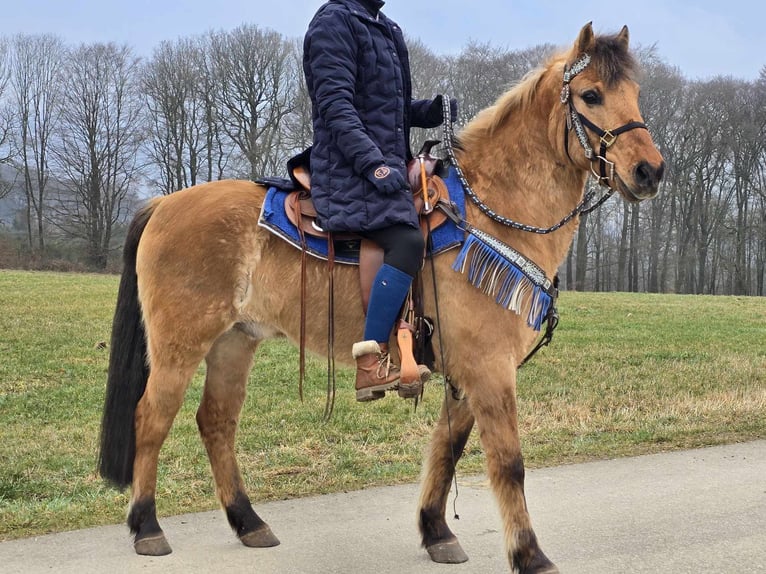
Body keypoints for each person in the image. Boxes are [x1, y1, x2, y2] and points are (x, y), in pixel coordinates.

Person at [303, 0, 456, 402]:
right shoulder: (333, 22)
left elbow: (390, 111)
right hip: (346, 166)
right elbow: (335, 107)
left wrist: (429, 111)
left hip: (383, 161)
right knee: (406, 240)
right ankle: (370, 363)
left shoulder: (388, 29)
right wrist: (374, 166)